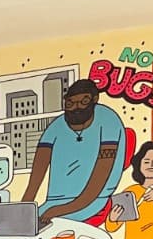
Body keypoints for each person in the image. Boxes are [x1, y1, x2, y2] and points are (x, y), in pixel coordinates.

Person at [21, 78, 125, 225]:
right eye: (70, 103)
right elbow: (37, 172)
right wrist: (23, 209)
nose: (76, 108)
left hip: (95, 199)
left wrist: (59, 210)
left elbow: (99, 179)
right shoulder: (57, 126)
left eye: (83, 102)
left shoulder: (108, 120)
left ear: (94, 100)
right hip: (54, 202)